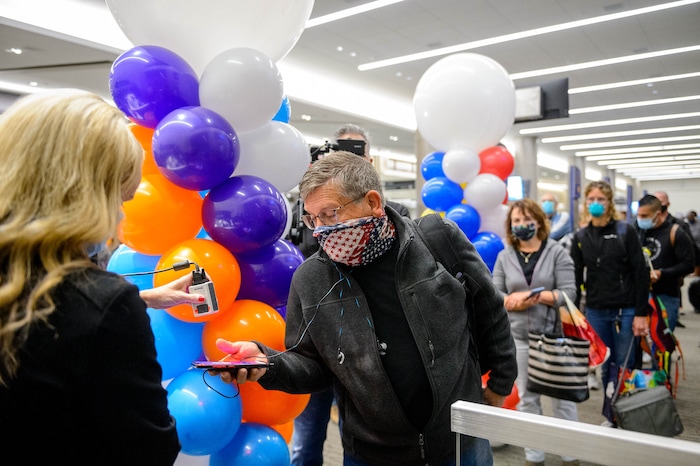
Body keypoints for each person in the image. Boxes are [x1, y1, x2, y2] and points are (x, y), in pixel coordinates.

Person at [217, 151, 517, 465]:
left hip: (459, 440)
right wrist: (269, 363)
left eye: (330, 214)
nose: (320, 230)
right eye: (312, 219)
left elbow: (489, 309)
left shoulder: (437, 240)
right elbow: (312, 364)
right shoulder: (311, 279)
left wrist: (501, 382)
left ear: (373, 202)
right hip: (371, 451)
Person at [0, 90, 202, 464]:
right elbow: (150, 449)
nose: (119, 218)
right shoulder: (104, 305)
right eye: (118, 199)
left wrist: (138, 299)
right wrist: (117, 309)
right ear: (83, 196)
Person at [289, 124, 411, 466]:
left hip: (365, 350)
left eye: (356, 152)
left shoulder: (395, 214)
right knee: (306, 442)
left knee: (359, 434)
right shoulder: (310, 215)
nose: (324, 227)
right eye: (317, 219)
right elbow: (305, 253)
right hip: (321, 336)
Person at [492, 199, 579, 466]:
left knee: (563, 399)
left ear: (539, 222)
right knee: (527, 399)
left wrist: (536, 297)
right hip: (518, 339)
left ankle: (570, 455)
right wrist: (511, 300)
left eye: (527, 219)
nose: (522, 225)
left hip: (554, 338)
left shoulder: (557, 252)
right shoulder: (505, 256)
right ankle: (534, 456)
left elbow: (569, 294)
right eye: (516, 220)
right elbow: (496, 294)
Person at [570, 180, 650, 424]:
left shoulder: (626, 232)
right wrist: (574, 314)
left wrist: (641, 313)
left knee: (625, 364)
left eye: (601, 199)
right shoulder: (581, 236)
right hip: (596, 310)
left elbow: (641, 273)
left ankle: (629, 414)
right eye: (591, 199)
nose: (596, 203)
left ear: (609, 202)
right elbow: (575, 277)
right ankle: (612, 415)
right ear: (585, 203)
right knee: (606, 365)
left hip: (626, 310)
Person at [634, 194, 694, 332]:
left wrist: (662, 273)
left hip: (666, 295)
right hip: (638, 295)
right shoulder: (635, 231)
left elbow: (688, 265)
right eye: (639, 215)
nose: (640, 219)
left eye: (645, 216)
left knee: (662, 339)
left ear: (658, 214)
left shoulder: (675, 232)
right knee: (639, 340)